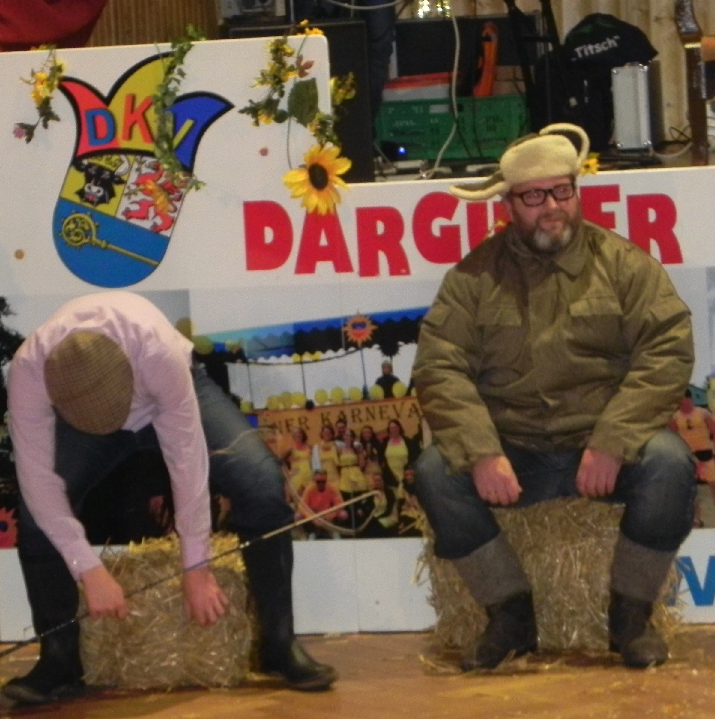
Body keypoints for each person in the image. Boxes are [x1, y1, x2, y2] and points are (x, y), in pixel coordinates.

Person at [412, 124, 695, 671]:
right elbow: (439, 367)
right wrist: (481, 451)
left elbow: (667, 350)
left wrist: (613, 441)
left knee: (670, 464)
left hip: (600, 447)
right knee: (434, 473)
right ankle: (509, 613)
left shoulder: (625, 265)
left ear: (576, 191)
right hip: (515, 451)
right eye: (534, 196)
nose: (551, 208)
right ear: (508, 205)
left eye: (562, 191)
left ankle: (631, 618)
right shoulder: (473, 277)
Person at [4, 292, 337, 704]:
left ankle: (279, 644)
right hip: (80, 418)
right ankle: (59, 661)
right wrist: (87, 568)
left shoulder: (157, 351)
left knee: (260, 482)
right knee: (35, 517)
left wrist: (196, 568)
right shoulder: (28, 370)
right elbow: (38, 481)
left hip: (168, 393)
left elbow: (187, 463)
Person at [669, 391, 715, 526]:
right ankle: (696, 519)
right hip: (689, 456)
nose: (683, 403)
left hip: (706, 454)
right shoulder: (675, 417)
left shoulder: (703, 413)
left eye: (685, 400)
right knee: (692, 490)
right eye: (680, 401)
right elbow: (673, 436)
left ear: (690, 399)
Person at [296, 470, 348, 538]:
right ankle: (303, 537)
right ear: (314, 480)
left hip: (328, 513)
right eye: (318, 482)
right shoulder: (309, 489)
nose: (321, 484)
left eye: (323, 481)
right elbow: (301, 507)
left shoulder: (332, 488)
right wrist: (312, 518)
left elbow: (340, 505)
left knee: (343, 514)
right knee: (298, 516)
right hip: (313, 514)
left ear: (326, 480)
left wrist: (328, 516)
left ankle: (337, 533)